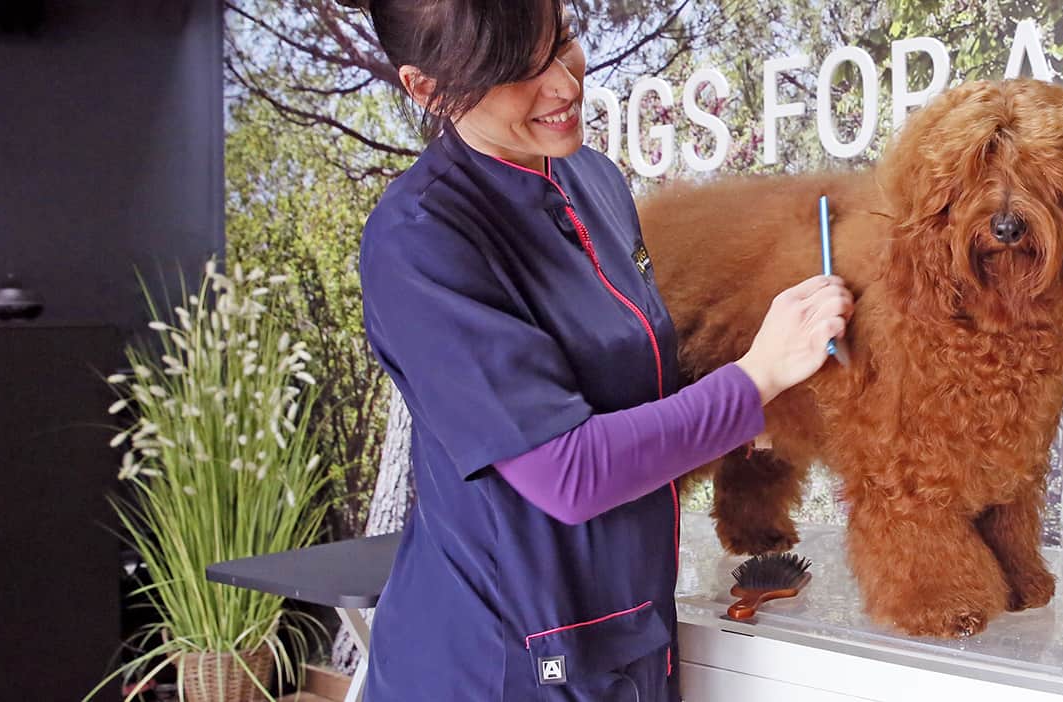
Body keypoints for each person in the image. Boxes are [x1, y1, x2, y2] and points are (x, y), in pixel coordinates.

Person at [342, 0, 851, 699]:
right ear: (426, 88)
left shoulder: (594, 182)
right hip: (496, 662)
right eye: (519, 71)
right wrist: (756, 375)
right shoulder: (420, 241)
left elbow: (634, 390)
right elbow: (569, 471)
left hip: (624, 633)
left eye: (564, 41)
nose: (564, 83)